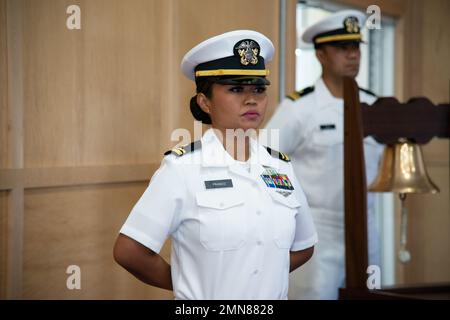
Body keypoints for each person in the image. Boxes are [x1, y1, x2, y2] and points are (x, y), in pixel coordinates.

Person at [113, 30, 318, 300]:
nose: (251, 99)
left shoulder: (280, 167)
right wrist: (187, 284)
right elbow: (129, 251)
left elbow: (303, 246)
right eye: (235, 89)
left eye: (258, 89)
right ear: (205, 102)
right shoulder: (182, 168)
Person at [265, 10, 383, 300]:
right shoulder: (298, 108)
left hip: (366, 228)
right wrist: (285, 215)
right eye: (343, 48)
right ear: (320, 55)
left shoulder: (376, 106)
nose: (353, 55)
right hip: (316, 231)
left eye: (355, 47)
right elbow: (263, 163)